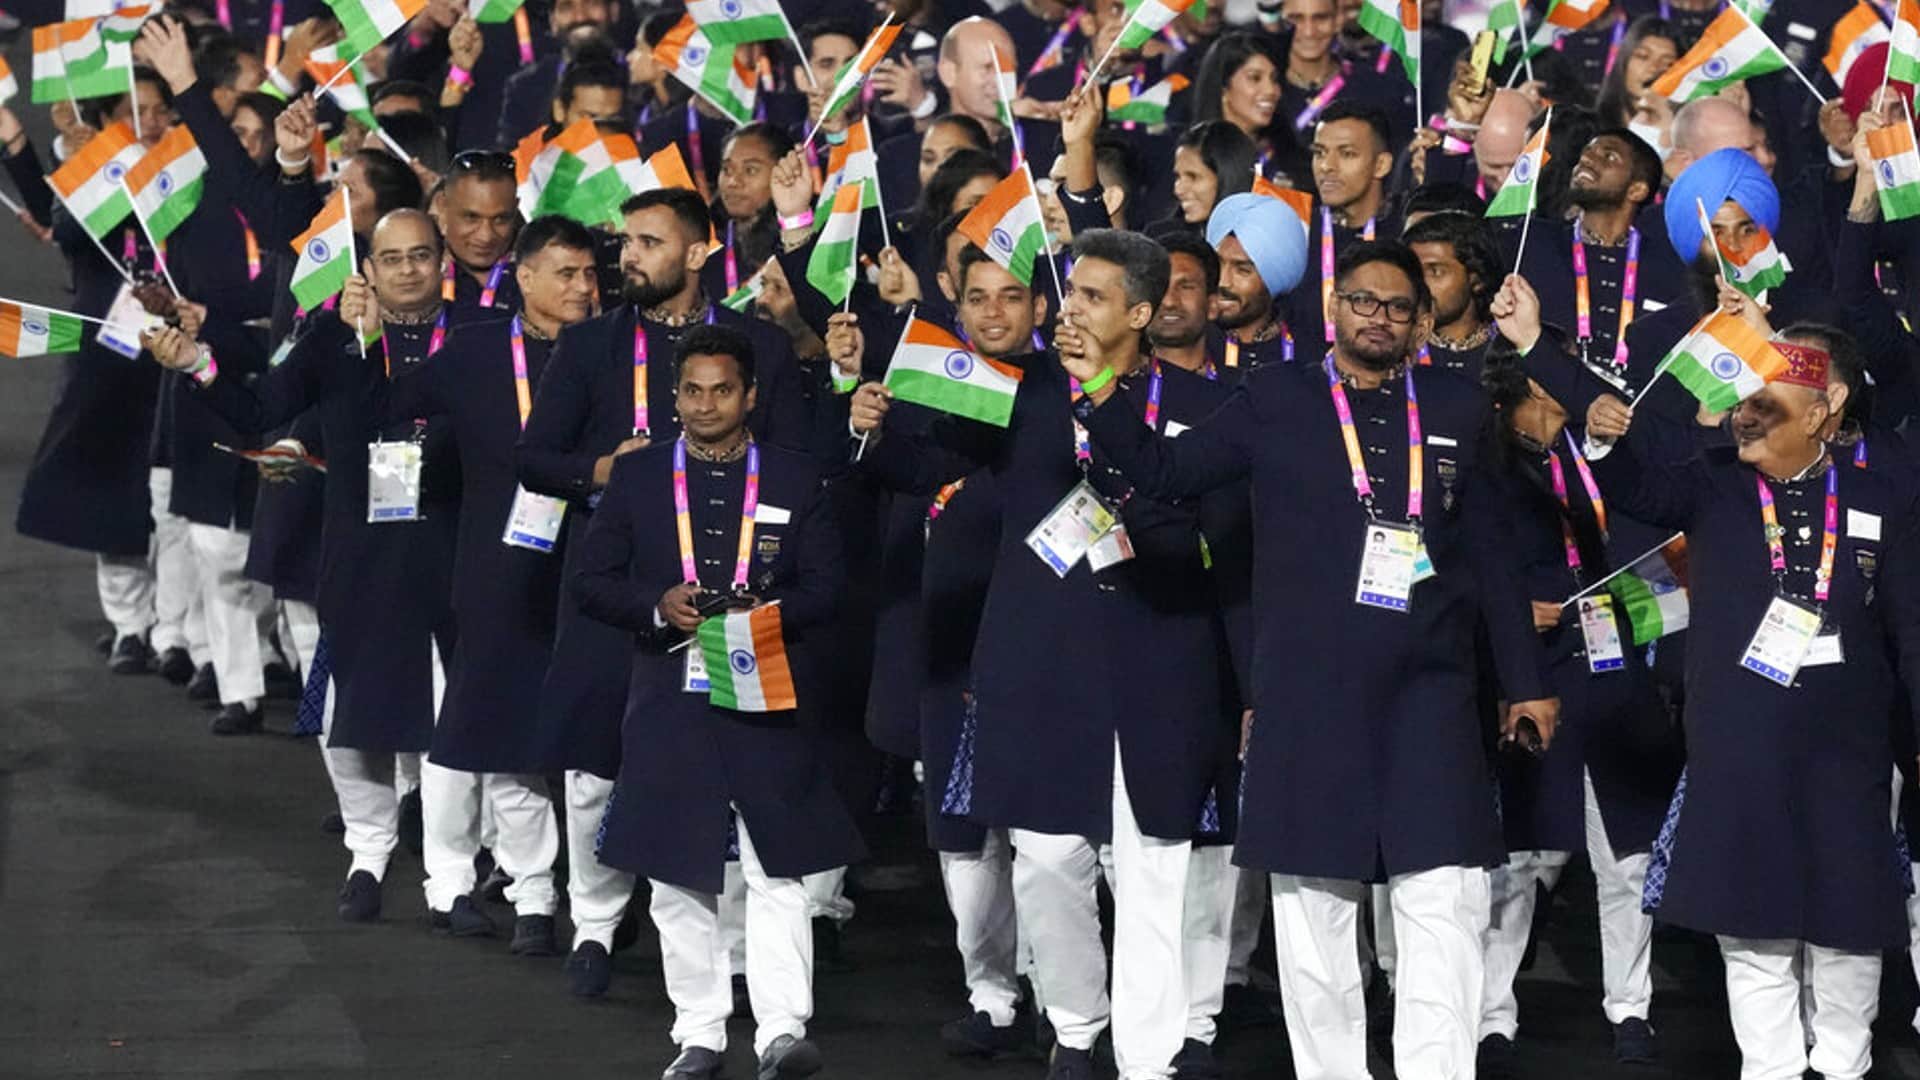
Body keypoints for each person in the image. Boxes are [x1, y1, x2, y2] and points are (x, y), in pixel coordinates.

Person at [1065, 239, 1558, 1080]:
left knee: (1442, 900)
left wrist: (1526, 683)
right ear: (1333, 307)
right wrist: (1104, 389)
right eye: (1364, 302)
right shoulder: (1275, 397)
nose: (1380, 318)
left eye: (1400, 307)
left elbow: (1493, 558)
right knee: (1313, 911)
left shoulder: (1456, 405)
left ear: (1420, 321)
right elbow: (1167, 470)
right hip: (1308, 693)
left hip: (1431, 694)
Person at [851, 229, 1250, 1080]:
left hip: (1158, 659)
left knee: (1150, 872)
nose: (1074, 312)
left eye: (1096, 298)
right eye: (1070, 297)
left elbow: (1220, 544)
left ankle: (1151, 1054)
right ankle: (1076, 1027)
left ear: (1141, 313)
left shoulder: (1203, 403)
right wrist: (872, 429)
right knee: (1045, 861)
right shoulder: (1023, 388)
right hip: (1040, 660)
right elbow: (930, 463)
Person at [1585, 328, 1920, 1080]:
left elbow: (1912, 628)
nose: (1746, 417)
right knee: (1754, 932)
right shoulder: (1714, 488)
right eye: (1743, 404)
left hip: (1848, 753)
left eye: (1766, 406)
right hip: (1740, 747)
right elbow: (1636, 483)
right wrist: (1561, 374)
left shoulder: (1883, 497)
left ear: (1821, 412)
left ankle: (1842, 1065)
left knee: (1848, 930)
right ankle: (1767, 1070)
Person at [515, 185, 812, 998]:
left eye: (647, 242)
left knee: (735, 775)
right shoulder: (589, 345)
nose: (627, 257)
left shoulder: (757, 346)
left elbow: (789, 463)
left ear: (698, 250)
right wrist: (610, 470)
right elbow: (537, 459)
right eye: (626, 243)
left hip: (733, 598)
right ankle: (596, 924)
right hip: (618, 587)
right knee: (594, 769)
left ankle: (742, 954)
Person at [145, 210, 459, 923]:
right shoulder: (327, 337)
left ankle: (451, 879)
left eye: (421, 256)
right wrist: (196, 364)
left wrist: (380, 345)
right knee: (347, 718)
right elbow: (261, 408)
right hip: (354, 554)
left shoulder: (472, 336)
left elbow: (427, 413)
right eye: (392, 258)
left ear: (442, 261)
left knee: (446, 721)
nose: (408, 270)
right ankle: (369, 851)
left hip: (448, 552)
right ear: (368, 269)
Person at [574, 323, 864, 1080]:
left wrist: (758, 616)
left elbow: (830, 589)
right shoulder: (637, 481)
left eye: (723, 390)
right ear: (674, 398)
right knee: (676, 871)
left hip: (766, 687)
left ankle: (780, 1032)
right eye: (693, 391)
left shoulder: (797, 479)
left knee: (778, 868)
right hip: (669, 693)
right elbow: (592, 582)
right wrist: (655, 605)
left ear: (751, 396)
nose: (707, 405)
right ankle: (698, 1033)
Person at [381, 216, 601, 956]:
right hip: (487, 565)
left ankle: (537, 892)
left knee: (540, 738)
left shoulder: (604, 352)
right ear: (525, 277)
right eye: (565, 274)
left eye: (588, 275)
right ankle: (448, 881)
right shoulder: (474, 349)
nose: (581, 287)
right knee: (473, 728)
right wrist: (362, 337)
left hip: (579, 565)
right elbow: (395, 406)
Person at [1514, 128, 1673, 393]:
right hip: (1550, 416)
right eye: (1586, 152)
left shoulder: (1668, 268)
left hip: (1636, 421)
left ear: (1637, 190)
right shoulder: (1531, 243)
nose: (1587, 159)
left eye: (1609, 156)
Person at [1287, 101, 1397, 350]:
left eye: (1346, 154)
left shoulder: (1402, 232)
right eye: (1319, 153)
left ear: (1381, 165)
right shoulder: (1296, 232)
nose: (1327, 166)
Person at [1207, 192, 1309, 377]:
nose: (1223, 281)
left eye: (1242, 270)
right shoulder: (1188, 343)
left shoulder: (1309, 357)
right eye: (1217, 263)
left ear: (1276, 278)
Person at [1402, 211, 1503, 380]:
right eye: (1413, 271)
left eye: (1436, 271)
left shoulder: (1510, 352)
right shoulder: (1396, 348)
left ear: (1476, 279)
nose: (1420, 283)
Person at [432, 149, 523, 321]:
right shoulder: (414, 275)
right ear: (442, 207)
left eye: (500, 219)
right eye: (471, 217)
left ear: (515, 208)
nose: (486, 236)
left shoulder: (540, 279)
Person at [1167, 121, 1258, 228]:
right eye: (1178, 176)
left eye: (1193, 177)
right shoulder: (1160, 237)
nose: (1178, 190)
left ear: (1229, 177)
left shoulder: (1269, 237)